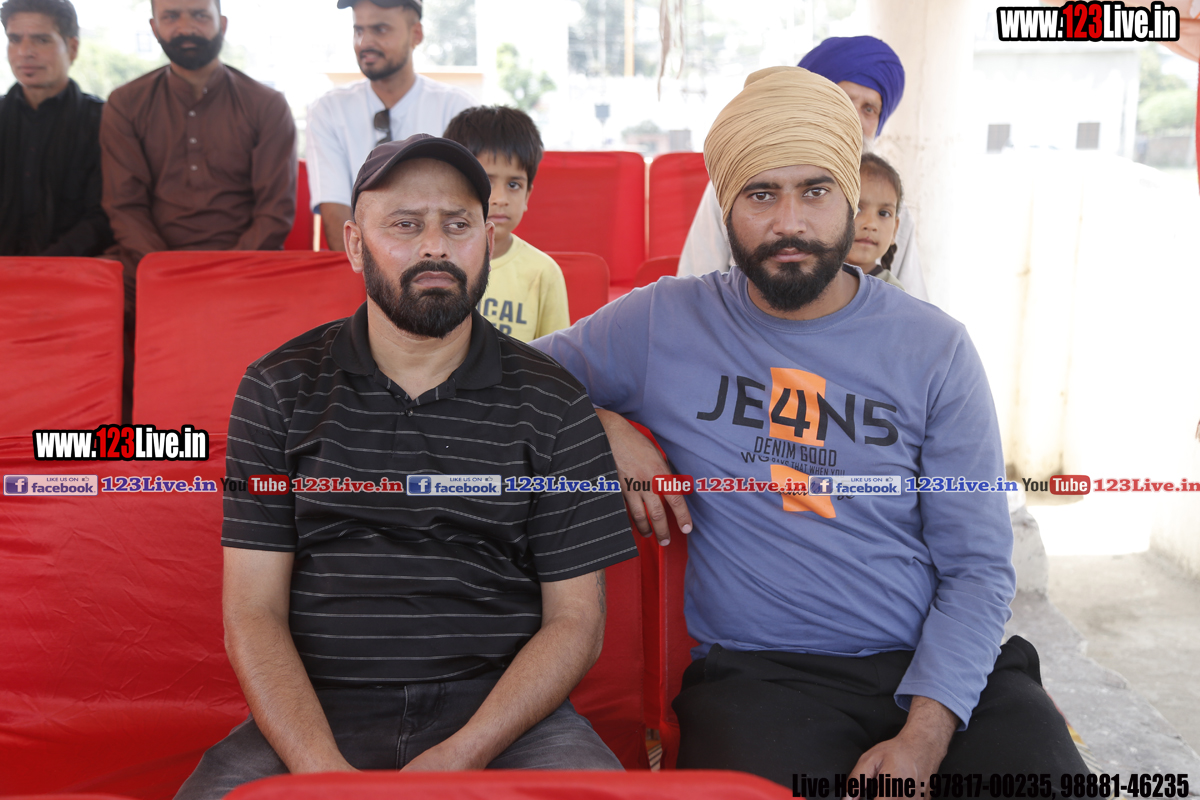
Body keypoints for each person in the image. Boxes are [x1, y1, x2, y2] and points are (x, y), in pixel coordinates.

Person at [534, 67, 1087, 790]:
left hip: (939, 669)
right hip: (761, 677)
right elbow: (500, 377)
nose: (789, 223)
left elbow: (978, 567)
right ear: (726, 208)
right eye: (761, 194)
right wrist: (597, 422)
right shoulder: (664, 322)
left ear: (851, 199)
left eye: (815, 191)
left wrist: (925, 736)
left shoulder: (934, 348)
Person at [174, 134, 636, 800]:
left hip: (505, 716)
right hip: (318, 707)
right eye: (405, 225)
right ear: (354, 244)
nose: (435, 247)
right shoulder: (279, 387)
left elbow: (576, 623)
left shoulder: (554, 399)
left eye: (458, 225)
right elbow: (252, 610)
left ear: (488, 241)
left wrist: (463, 754)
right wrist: (319, 769)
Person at [677, 35, 928, 301]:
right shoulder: (739, 180)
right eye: (841, 101)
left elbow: (915, 305)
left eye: (869, 109)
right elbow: (695, 289)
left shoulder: (889, 200)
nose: (853, 119)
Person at [100, 0, 296, 271]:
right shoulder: (126, 104)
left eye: (200, 15)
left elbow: (275, 213)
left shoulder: (266, 105)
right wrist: (166, 270)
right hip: (150, 266)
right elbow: (125, 207)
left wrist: (223, 271)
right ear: (154, 28)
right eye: (171, 17)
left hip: (246, 267)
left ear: (222, 25)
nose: (186, 28)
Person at [307, 0, 475, 252]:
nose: (365, 42)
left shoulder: (457, 108)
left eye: (380, 29)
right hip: (363, 270)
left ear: (416, 34)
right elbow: (335, 211)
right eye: (358, 30)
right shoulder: (329, 110)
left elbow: (469, 211)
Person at [444, 105, 569, 342]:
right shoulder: (433, 260)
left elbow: (555, 357)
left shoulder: (543, 273)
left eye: (514, 185)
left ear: (527, 195)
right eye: (486, 181)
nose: (500, 199)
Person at [0, 0, 111, 256]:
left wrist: (44, 265)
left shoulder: (103, 121)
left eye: (41, 40)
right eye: (14, 39)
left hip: (72, 266)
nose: (25, 52)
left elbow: (104, 215)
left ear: (72, 48)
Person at [846, 153, 906, 291]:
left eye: (883, 213)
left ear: (895, 230)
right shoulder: (813, 277)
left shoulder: (893, 294)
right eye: (857, 209)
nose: (870, 224)